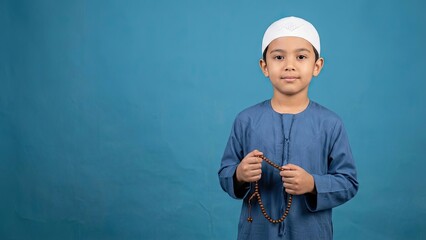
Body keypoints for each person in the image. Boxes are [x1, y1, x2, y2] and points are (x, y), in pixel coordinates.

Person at [218, 16, 359, 239]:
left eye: (301, 56)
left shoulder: (330, 124)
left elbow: (349, 182)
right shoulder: (246, 120)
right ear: (264, 66)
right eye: (279, 57)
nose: (289, 65)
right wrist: (239, 174)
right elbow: (225, 173)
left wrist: (313, 183)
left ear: (317, 66)